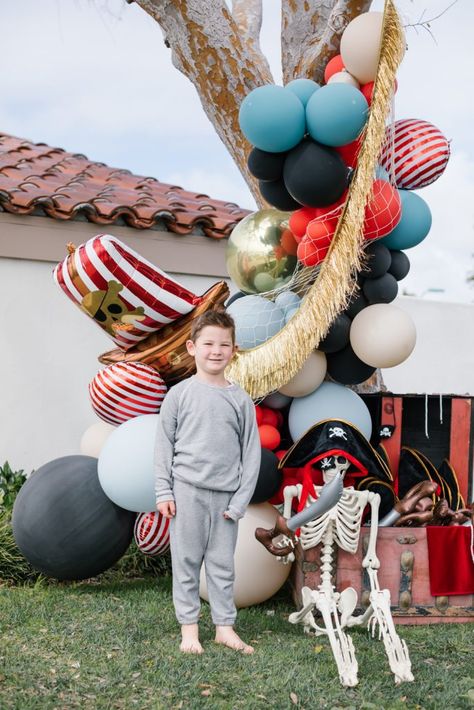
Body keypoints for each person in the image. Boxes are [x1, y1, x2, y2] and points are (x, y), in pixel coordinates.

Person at [154, 309, 261, 655]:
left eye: (224, 345)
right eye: (208, 344)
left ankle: (224, 628)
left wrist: (239, 502)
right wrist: (164, 490)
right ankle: (189, 630)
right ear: (191, 347)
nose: (216, 351)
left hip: (226, 499)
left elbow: (251, 454)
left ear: (234, 350)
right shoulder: (180, 395)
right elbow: (163, 446)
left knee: (221, 566)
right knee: (185, 564)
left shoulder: (240, 400)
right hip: (186, 493)